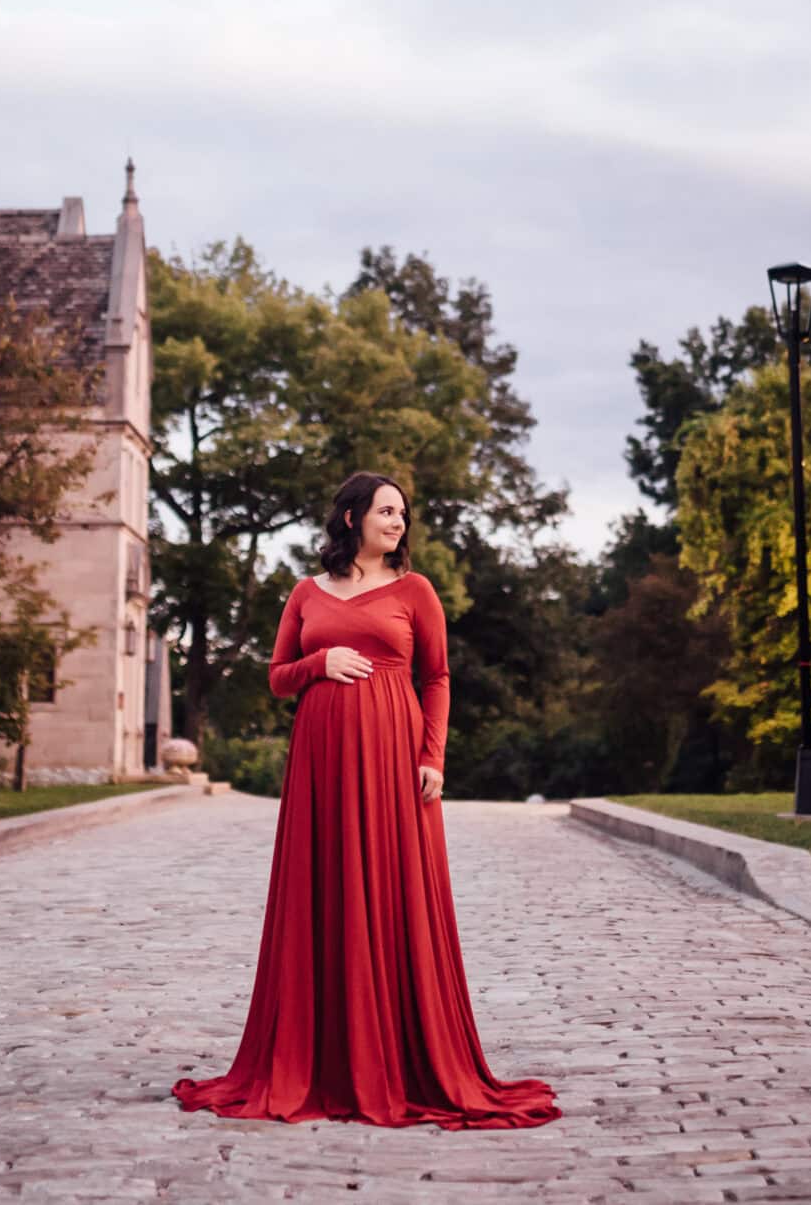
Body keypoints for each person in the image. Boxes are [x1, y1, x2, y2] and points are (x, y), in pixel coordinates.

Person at [173, 471, 559, 1129]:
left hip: (394, 755)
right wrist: (318, 666)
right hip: (321, 762)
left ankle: (399, 1053)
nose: (398, 522)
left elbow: (435, 676)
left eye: (403, 513)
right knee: (323, 890)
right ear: (351, 517)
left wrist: (433, 756)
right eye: (386, 510)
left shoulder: (416, 591)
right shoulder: (306, 592)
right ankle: (320, 1056)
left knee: (393, 888)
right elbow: (275, 676)